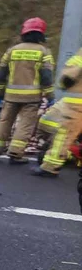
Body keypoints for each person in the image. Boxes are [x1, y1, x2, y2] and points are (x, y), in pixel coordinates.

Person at [0, 18, 55, 163]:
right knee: (25, 125)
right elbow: (47, 78)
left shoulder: (12, 51)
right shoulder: (44, 52)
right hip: (31, 98)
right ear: (41, 34)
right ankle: (15, 153)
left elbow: (1, 74)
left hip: (10, 96)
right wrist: (50, 96)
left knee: (4, 121)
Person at [31, 47, 82, 182]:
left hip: (76, 102)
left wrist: (64, 84)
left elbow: (69, 76)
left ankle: (50, 166)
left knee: (64, 135)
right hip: (74, 102)